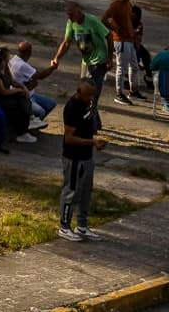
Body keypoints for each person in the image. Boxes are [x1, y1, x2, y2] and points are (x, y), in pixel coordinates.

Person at [58, 80, 106, 241]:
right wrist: (92, 142)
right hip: (74, 158)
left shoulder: (87, 104)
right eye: (88, 96)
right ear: (79, 92)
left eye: (93, 95)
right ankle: (64, 226)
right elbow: (69, 138)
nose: (91, 99)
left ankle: (82, 226)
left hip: (87, 156)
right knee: (71, 192)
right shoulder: (72, 108)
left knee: (86, 191)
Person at [47, 0, 112, 111]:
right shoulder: (71, 23)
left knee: (90, 94)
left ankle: (92, 123)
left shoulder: (92, 21)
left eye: (72, 14)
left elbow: (109, 35)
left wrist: (110, 58)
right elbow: (67, 42)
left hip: (98, 61)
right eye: (68, 15)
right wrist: (57, 58)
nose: (70, 17)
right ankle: (94, 121)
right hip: (86, 61)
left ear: (79, 11)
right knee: (85, 93)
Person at [102, 0, 141, 105]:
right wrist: (116, 29)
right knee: (121, 67)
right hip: (121, 40)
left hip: (130, 39)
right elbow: (104, 19)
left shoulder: (129, 5)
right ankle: (119, 93)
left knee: (134, 66)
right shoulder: (115, 5)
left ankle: (133, 91)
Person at [9, 41, 58, 134]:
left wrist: (30, 83)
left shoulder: (14, 59)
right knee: (41, 112)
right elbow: (40, 76)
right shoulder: (22, 65)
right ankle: (27, 129)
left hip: (30, 93)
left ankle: (34, 126)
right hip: (24, 97)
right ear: (29, 52)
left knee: (51, 103)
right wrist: (52, 67)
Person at [0, 48, 36, 144]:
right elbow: (3, 92)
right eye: (7, 57)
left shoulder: (5, 67)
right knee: (19, 105)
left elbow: (12, 81)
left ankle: (30, 119)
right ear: (2, 59)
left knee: (22, 95)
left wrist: (23, 87)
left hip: (7, 95)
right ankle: (23, 130)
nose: (9, 59)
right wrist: (18, 90)